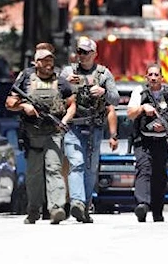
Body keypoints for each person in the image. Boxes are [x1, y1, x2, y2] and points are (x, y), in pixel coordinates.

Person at [5, 45, 76, 225]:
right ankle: (33, 210)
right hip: (32, 134)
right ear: (36, 63)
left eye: (50, 60)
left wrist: (65, 121)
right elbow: (9, 102)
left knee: (54, 169)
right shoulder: (26, 79)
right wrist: (24, 106)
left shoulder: (60, 81)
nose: (48, 64)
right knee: (34, 174)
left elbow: (71, 104)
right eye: (44, 61)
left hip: (53, 132)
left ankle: (56, 208)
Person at [60, 37, 119, 223]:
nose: (82, 56)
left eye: (86, 52)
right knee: (76, 163)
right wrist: (64, 83)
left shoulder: (103, 74)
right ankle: (76, 202)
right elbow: (55, 93)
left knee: (90, 168)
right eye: (79, 52)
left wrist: (104, 92)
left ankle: (85, 206)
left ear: (95, 54)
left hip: (95, 127)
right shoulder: (68, 72)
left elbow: (115, 99)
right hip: (73, 127)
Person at [127, 63, 168, 222]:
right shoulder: (139, 92)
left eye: (156, 75)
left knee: (159, 175)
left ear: (162, 77)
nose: (153, 78)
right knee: (143, 168)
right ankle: (142, 205)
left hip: (161, 141)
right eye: (150, 75)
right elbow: (130, 114)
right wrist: (142, 108)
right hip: (143, 140)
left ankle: (157, 210)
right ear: (146, 77)